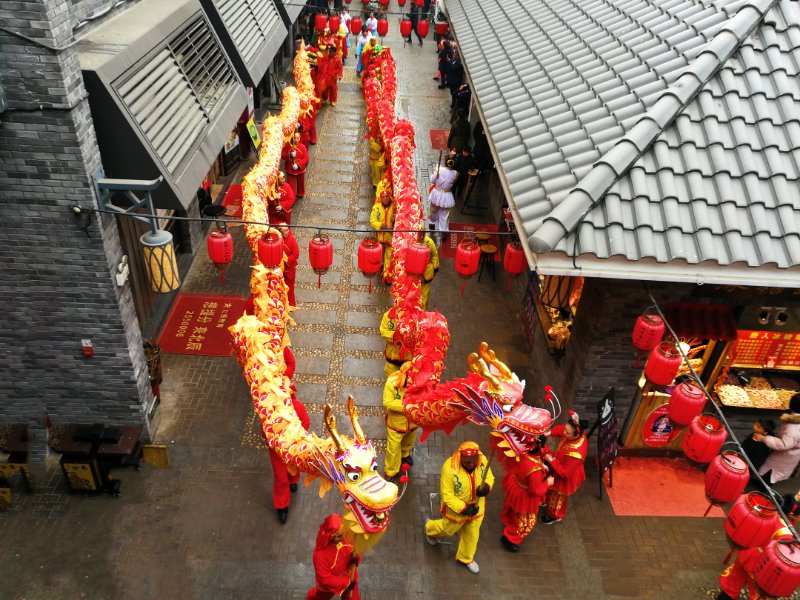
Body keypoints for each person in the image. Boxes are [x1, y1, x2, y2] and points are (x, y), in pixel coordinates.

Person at [424, 441, 495, 575]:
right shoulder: (449, 468)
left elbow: (489, 477)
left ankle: (465, 558)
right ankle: (429, 528)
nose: (471, 464)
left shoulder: (484, 461)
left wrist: (486, 487)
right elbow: (447, 495)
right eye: (467, 461)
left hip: (477, 509)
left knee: (472, 534)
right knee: (447, 530)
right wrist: (465, 509)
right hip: (456, 513)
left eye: (473, 461)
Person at [715, 493, 800, 600]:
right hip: (761, 565)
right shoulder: (786, 533)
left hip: (746, 553)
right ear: (792, 514)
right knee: (758, 595)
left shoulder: (770, 513)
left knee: (732, 585)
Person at [496, 434, 553, 553]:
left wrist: (540, 464)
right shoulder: (534, 470)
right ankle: (510, 538)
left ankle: (509, 522)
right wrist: (547, 483)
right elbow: (536, 490)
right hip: (525, 496)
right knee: (527, 521)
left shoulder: (521, 451)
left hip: (516, 485)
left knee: (513, 509)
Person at [269, 383, 310, 523]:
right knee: (281, 478)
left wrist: (295, 439)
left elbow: (306, 423)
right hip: (277, 451)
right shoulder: (271, 411)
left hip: (294, 448)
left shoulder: (298, 407)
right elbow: (265, 432)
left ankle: (293, 480)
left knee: (293, 468)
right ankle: (282, 506)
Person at [541, 410, 589, 524]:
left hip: (565, 477)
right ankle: (545, 501)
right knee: (550, 488)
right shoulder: (576, 433)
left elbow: (565, 472)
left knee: (556, 497)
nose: (564, 432)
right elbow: (563, 429)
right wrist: (548, 433)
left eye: (567, 432)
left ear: (575, 435)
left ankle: (554, 516)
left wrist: (550, 459)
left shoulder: (576, 454)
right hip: (559, 463)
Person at [307, 513, 361, 600]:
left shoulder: (347, 533)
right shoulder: (320, 555)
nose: (342, 537)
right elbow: (325, 579)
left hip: (350, 575)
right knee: (318, 598)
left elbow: (356, 548)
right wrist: (347, 582)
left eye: (342, 533)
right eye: (338, 536)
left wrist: (356, 558)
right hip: (329, 587)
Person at [383, 362, 417, 482]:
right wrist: (407, 406)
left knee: (409, 441)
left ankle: (405, 454)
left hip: (413, 422)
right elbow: (388, 403)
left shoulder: (420, 383)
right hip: (396, 424)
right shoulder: (391, 382)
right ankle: (391, 470)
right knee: (393, 449)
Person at [756, 393, 800, 485]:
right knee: (771, 471)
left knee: (771, 472)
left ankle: (765, 488)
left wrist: (764, 438)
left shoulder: (794, 427)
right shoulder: (794, 420)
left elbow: (784, 444)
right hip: (791, 454)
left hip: (785, 455)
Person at [427, 157, 457, 239]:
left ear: (445, 162)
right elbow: (453, 183)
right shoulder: (455, 173)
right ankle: (443, 232)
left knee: (433, 210)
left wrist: (436, 175)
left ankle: (431, 223)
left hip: (436, 194)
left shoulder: (439, 169)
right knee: (444, 214)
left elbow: (432, 180)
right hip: (447, 196)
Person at [370, 187, 394, 280]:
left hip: (390, 238)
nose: (385, 199)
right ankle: (380, 265)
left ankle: (386, 274)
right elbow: (372, 221)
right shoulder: (376, 207)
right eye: (383, 197)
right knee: (379, 253)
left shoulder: (394, 207)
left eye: (387, 197)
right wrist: (383, 226)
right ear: (381, 198)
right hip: (379, 237)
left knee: (388, 255)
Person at [380, 306, 411, 377]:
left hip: (410, 361)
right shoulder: (388, 316)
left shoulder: (417, 317)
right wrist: (394, 336)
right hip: (392, 360)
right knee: (392, 382)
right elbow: (383, 331)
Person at [275, 221, 299, 307]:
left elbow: (296, 254)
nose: (286, 232)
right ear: (280, 232)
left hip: (289, 268)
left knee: (289, 288)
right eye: (284, 231)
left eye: (287, 230)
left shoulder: (292, 239)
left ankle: (290, 305)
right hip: (279, 268)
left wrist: (286, 260)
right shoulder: (276, 239)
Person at [281, 131, 309, 198]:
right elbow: (283, 156)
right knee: (291, 185)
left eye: (297, 138)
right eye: (294, 138)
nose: (296, 140)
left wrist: (298, 164)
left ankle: (300, 193)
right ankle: (292, 197)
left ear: (300, 138)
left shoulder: (302, 147)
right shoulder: (287, 145)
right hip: (290, 168)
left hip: (300, 169)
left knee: (301, 182)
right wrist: (289, 155)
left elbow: (306, 158)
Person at [419, 231, 439, 310]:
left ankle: (423, 313)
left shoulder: (429, 242)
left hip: (426, 274)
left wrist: (435, 268)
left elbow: (434, 255)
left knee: (424, 297)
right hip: (414, 274)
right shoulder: (411, 241)